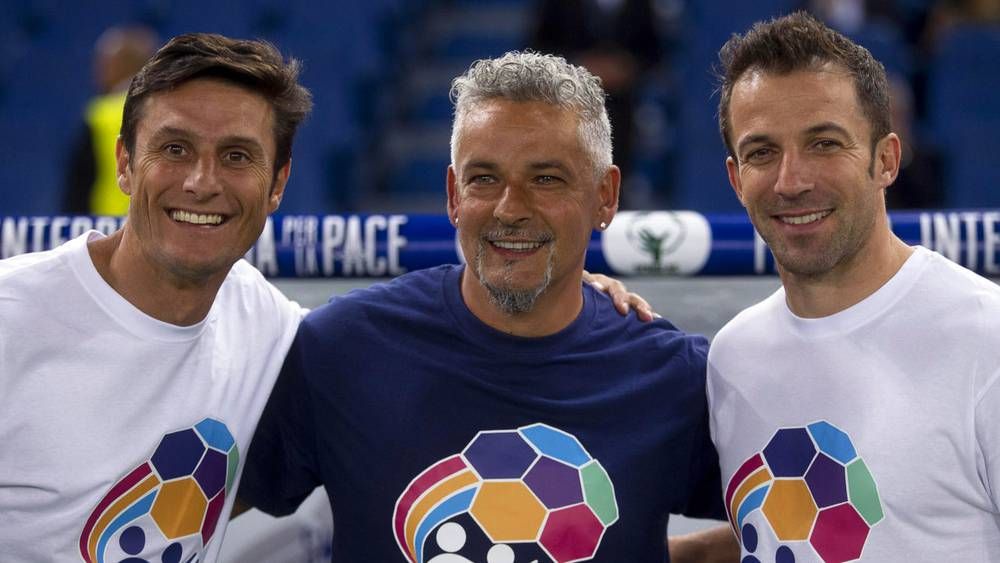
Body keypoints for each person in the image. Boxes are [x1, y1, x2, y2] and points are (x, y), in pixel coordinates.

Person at [236, 51, 726, 562]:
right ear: (454, 194)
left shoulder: (670, 375)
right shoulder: (344, 347)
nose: (510, 209)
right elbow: (195, 510)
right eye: (485, 178)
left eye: (546, 179)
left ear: (605, 195)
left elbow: (782, 516)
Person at [698, 11, 1000, 561]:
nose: (791, 181)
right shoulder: (733, 356)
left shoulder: (987, 339)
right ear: (736, 179)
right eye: (762, 152)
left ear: (886, 159)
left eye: (824, 143)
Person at [0, 33, 312, 562]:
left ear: (277, 184)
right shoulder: (10, 320)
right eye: (174, 149)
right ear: (124, 163)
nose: (202, 182)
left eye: (237, 156)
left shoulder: (269, 325)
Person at [63, 25, 159, 216]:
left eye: (105, 63)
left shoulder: (100, 115)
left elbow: (79, 185)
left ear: (122, 65)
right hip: (156, 221)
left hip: (108, 224)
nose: (98, 71)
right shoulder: (169, 109)